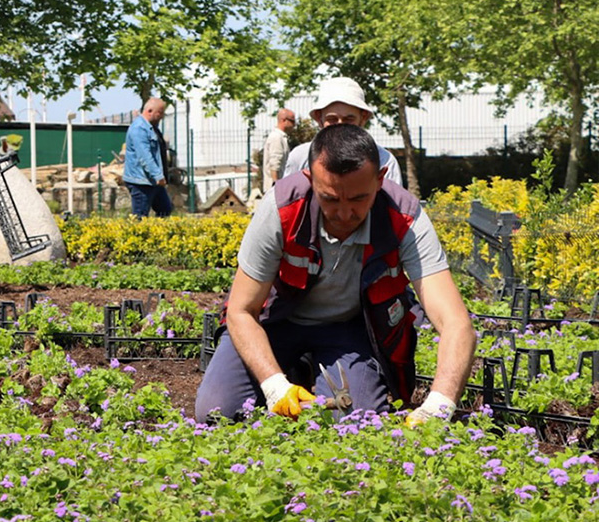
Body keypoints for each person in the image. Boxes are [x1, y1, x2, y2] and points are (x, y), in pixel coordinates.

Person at [195, 123, 474, 427]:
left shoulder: (404, 214)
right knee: (216, 412)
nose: (344, 214)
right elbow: (240, 310)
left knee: (356, 422)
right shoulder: (281, 207)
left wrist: (440, 404)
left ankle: (309, 368)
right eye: (329, 198)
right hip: (275, 323)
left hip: (348, 331)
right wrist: (274, 385)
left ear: (380, 180)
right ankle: (292, 368)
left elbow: (456, 322)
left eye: (358, 199)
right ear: (309, 179)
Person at [283, 77, 402, 185]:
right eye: (332, 119)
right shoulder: (301, 157)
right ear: (320, 118)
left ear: (363, 118)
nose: (340, 126)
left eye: (349, 119)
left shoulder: (384, 160)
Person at [122, 98, 171, 217]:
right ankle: (136, 235)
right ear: (149, 111)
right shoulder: (139, 129)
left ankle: (157, 234)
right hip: (141, 181)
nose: (162, 116)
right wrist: (158, 175)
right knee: (140, 216)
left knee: (165, 209)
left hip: (153, 181)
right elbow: (145, 156)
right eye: (160, 112)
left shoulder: (151, 127)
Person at [262, 108, 294, 193]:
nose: (294, 125)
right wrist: (276, 187)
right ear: (284, 120)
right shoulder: (277, 138)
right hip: (275, 190)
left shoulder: (281, 137)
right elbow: (275, 164)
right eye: (292, 121)